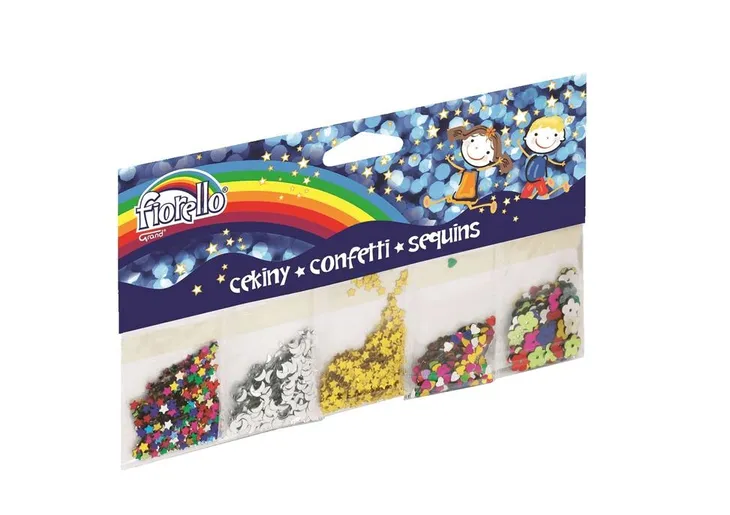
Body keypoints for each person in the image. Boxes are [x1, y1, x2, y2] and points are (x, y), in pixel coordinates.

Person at [423, 125, 512, 213]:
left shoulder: (476, 171)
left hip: (469, 187)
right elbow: (459, 167)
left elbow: (486, 167)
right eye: (472, 140)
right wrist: (450, 161)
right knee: (456, 198)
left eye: (487, 152)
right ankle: (432, 202)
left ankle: (488, 205)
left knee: (461, 199)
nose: (476, 149)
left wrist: (497, 162)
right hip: (464, 186)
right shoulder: (468, 168)